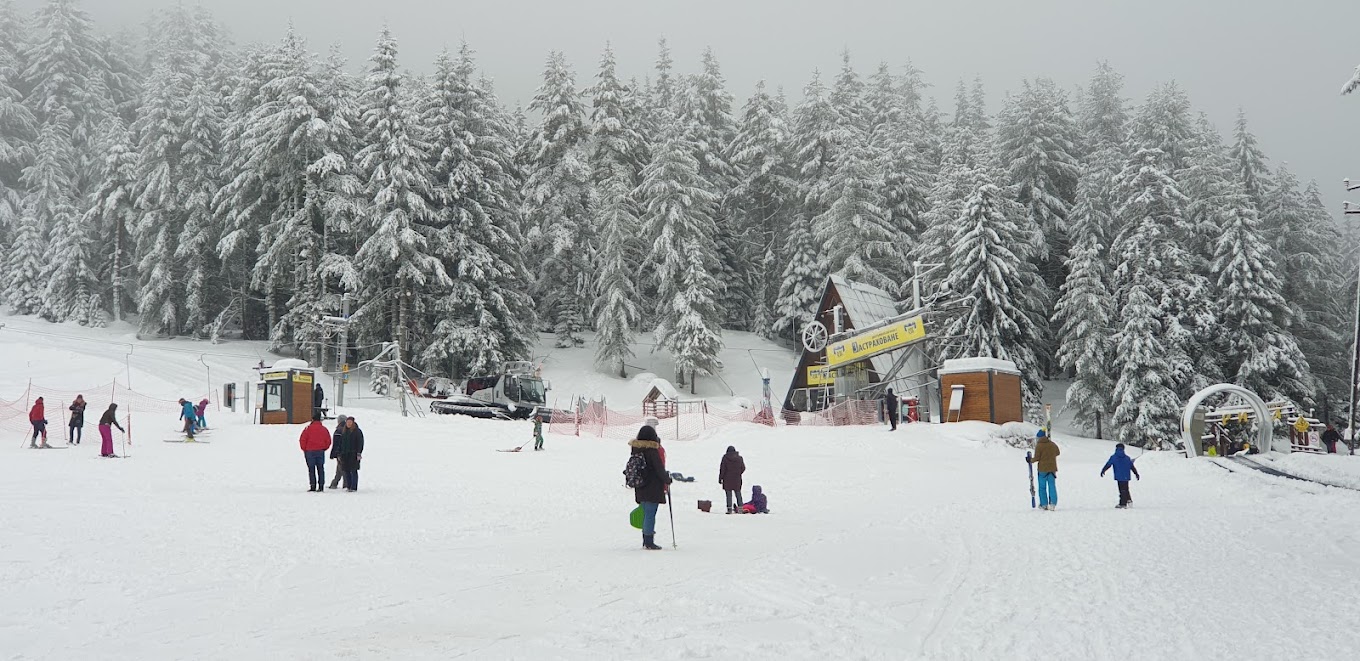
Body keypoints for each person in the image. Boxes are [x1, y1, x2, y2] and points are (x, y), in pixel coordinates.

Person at [629, 425, 672, 550]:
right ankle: (649, 541)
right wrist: (667, 479)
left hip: (640, 486)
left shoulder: (636, 449)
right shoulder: (652, 451)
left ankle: (645, 539)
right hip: (652, 487)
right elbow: (659, 469)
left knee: (646, 512)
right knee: (650, 514)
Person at [1026, 429, 1060, 511]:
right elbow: (1058, 452)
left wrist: (1030, 460)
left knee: (1042, 487)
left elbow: (1037, 458)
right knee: (1052, 486)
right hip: (1052, 469)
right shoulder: (1052, 444)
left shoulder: (1039, 446)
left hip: (1042, 470)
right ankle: (1053, 503)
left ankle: (1044, 504)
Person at [1100, 443, 1141, 509]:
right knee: (1125, 489)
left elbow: (1108, 464)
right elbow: (1132, 466)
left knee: (1122, 490)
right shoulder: (1127, 458)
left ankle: (1123, 504)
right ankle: (1129, 501)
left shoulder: (1114, 457)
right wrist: (1136, 474)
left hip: (1119, 476)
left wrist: (1103, 470)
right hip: (1126, 476)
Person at [298, 411, 332, 492]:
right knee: (320, 468)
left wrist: (305, 449)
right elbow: (328, 441)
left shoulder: (308, 429)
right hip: (320, 451)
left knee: (311, 469)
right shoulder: (324, 429)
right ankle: (321, 486)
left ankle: (313, 485)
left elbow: (302, 439)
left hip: (310, 452)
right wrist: (324, 448)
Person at [339, 416, 364, 492]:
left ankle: (353, 486)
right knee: (346, 470)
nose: (349, 424)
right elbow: (341, 443)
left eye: (350, 422)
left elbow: (360, 443)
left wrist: (359, 453)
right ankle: (348, 486)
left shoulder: (357, 431)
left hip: (353, 453)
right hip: (345, 454)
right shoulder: (344, 431)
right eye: (347, 422)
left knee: (353, 470)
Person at [719, 445, 746, 514]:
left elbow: (722, 469)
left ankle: (729, 509)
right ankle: (740, 509)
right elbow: (743, 468)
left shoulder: (725, 458)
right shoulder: (739, 458)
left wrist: (720, 478)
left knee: (728, 495)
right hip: (737, 479)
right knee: (738, 493)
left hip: (727, 479)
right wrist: (738, 473)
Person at [328, 414, 348, 490]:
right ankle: (334, 483)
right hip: (346, 452)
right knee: (340, 468)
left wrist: (333, 454)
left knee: (342, 468)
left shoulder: (339, 430)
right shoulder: (347, 429)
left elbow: (335, 443)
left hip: (340, 453)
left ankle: (344, 484)